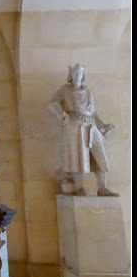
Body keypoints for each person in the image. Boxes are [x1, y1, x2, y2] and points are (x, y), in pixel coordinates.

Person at [48, 64, 117, 196]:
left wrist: (103, 125)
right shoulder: (64, 90)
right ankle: (79, 187)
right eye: (75, 73)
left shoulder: (88, 92)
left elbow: (93, 113)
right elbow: (52, 104)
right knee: (77, 158)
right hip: (74, 127)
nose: (77, 76)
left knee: (100, 155)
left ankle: (102, 187)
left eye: (80, 73)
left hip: (91, 126)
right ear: (70, 75)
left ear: (83, 75)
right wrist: (62, 115)